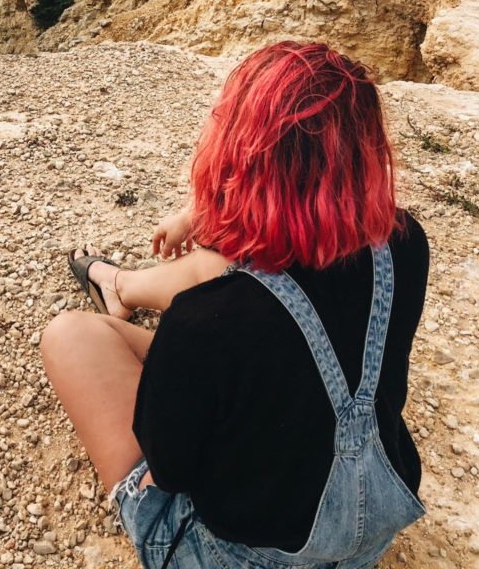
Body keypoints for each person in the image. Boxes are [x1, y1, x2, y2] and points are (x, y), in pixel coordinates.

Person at [42, 41, 429, 569]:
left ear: (235, 153)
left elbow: (173, 471)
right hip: (366, 538)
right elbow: (391, 383)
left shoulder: (206, 319)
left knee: (68, 336)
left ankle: (118, 287)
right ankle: (127, 292)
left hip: (241, 556)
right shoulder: (404, 244)